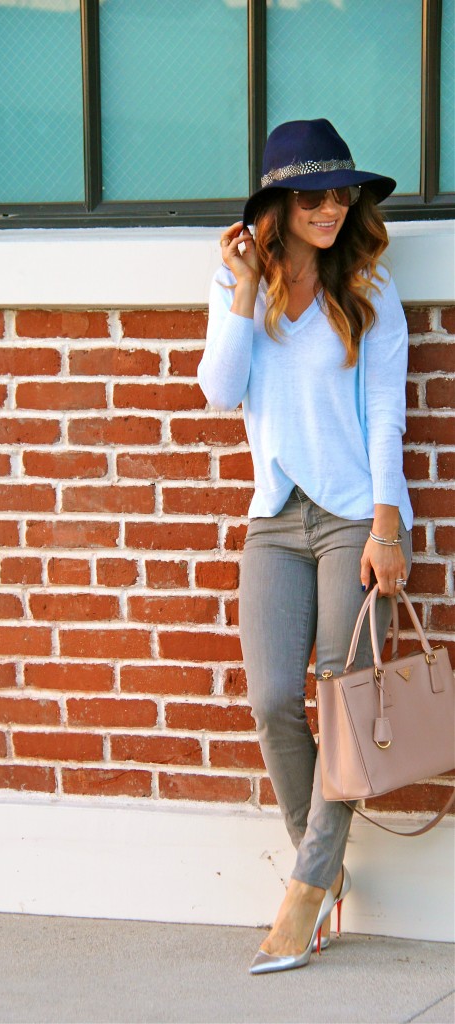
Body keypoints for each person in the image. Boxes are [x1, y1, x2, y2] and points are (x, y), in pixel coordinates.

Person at [197, 119, 413, 975]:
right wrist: (244, 290)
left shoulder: (370, 289)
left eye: (342, 192)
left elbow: (386, 414)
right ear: (276, 207)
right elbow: (220, 391)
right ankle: (315, 867)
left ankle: (305, 891)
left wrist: (389, 525)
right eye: (312, 195)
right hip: (275, 522)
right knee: (274, 697)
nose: (331, 207)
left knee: (342, 699)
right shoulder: (234, 283)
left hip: (355, 516)